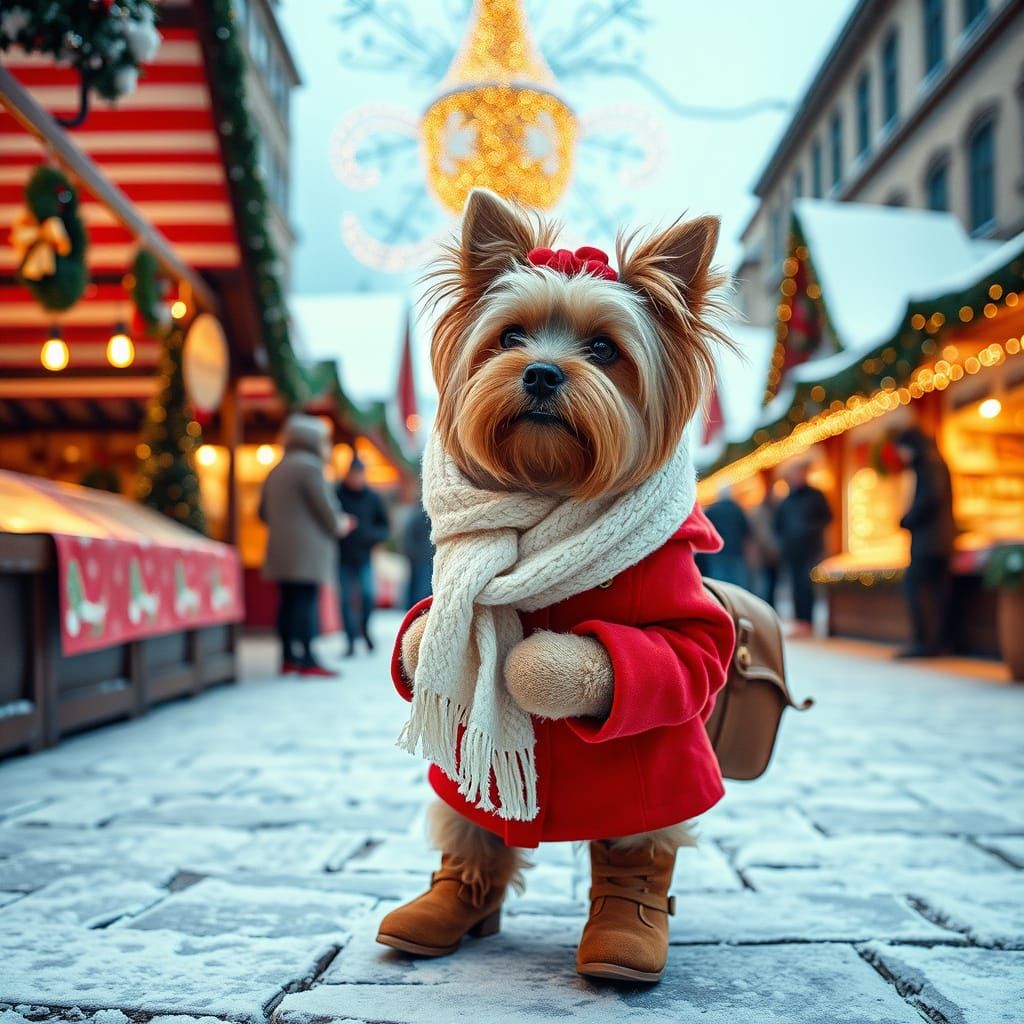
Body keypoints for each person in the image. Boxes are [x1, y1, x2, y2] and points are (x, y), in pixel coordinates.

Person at [259, 414, 348, 677]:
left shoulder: (276, 468)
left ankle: (287, 657)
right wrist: (340, 524)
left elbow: (262, 513)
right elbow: (326, 510)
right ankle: (308, 659)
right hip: (307, 552)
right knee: (306, 603)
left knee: (286, 602)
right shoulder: (310, 467)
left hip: (280, 550)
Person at [893, 426, 956, 658]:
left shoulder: (928, 463)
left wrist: (907, 520)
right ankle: (940, 643)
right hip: (939, 541)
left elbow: (930, 498)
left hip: (930, 542)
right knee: (939, 593)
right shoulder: (934, 460)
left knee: (916, 587)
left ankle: (925, 642)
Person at [335, 456, 391, 656]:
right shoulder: (337, 493)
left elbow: (384, 527)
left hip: (364, 556)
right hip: (341, 557)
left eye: (359, 475)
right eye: (353, 475)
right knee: (345, 601)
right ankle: (350, 641)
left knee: (368, 596)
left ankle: (365, 631)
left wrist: (368, 536)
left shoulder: (372, 497)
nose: (356, 479)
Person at [773, 462, 833, 636]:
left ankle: (809, 621)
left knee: (808, 585)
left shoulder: (815, 495)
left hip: (811, 548)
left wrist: (811, 530)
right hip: (792, 550)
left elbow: (827, 517)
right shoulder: (786, 500)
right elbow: (778, 525)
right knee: (795, 585)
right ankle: (800, 621)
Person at [701, 487, 752, 590]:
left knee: (720, 587)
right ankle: (737, 606)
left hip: (717, 553)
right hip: (736, 552)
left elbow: (706, 532)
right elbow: (746, 533)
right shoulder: (737, 509)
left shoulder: (712, 510)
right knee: (738, 588)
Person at [749, 490, 781, 607]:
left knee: (770, 586)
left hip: (769, 557)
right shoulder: (763, 512)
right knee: (765, 587)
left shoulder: (773, 511)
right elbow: (764, 536)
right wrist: (775, 550)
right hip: (764, 557)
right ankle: (765, 611)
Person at [401, 501, 433, 609]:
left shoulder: (418, 515)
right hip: (422, 560)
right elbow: (408, 538)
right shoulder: (419, 516)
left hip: (426, 559)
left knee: (420, 590)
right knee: (421, 591)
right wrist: (413, 555)